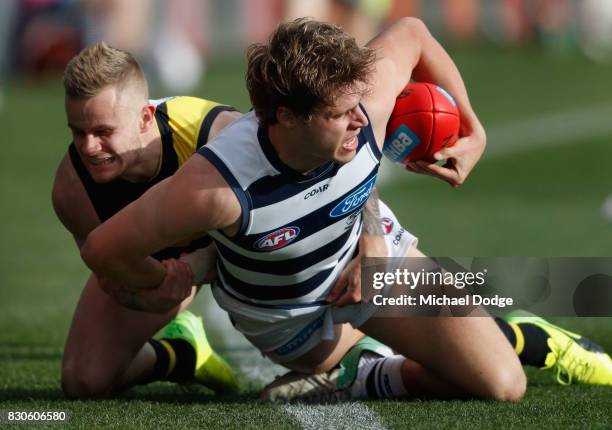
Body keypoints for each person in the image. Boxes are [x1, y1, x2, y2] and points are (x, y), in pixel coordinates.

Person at [80, 18, 612, 402]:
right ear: (286, 117)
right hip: (296, 323)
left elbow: (412, 33)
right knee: (84, 380)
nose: (362, 122)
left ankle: (428, 356)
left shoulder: (362, 106)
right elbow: (104, 249)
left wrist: (474, 128)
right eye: (340, 115)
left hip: (376, 266)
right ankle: (352, 372)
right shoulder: (216, 186)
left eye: (360, 104)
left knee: (503, 385)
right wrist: (162, 280)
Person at [52, 42, 242, 399]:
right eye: (78, 132)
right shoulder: (72, 187)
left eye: (103, 132)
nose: (89, 147)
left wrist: (199, 269)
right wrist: (158, 290)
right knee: (84, 381)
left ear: (144, 117)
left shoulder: (216, 133)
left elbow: (303, 198)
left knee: (360, 304)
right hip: (171, 262)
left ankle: (366, 353)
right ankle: (182, 355)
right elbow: (115, 274)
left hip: (246, 248)